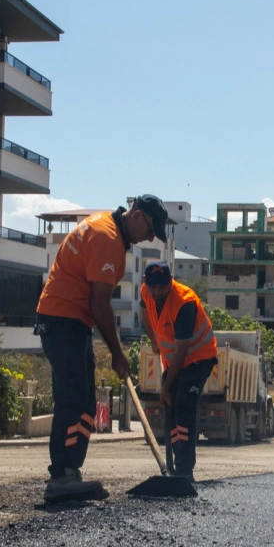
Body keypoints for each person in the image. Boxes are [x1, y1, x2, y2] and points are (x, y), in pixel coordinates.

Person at [33, 195, 168, 502]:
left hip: (73, 321)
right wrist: (118, 355)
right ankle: (62, 476)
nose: (149, 237)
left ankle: (71, 471)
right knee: (72, 398)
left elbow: (95, 305)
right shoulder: (107, 237)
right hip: (62, 319)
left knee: (85, 403)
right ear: (136, 214)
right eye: (150, 229)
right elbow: (100, 303)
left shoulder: (111, 234)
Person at [140, 262, 220, 481]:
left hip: (199, 358)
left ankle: (185, 468)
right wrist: (154, 340)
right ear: (146, 283)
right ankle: (176, 465)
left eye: (162, 287)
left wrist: (166, 386)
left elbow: (182, 352)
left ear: (171, 280)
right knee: (171, 405)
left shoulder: (184, 303)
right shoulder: (146, 292)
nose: (157, 292)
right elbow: (144, 309)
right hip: (174, 360)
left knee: (184, 403)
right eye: (153, 287)